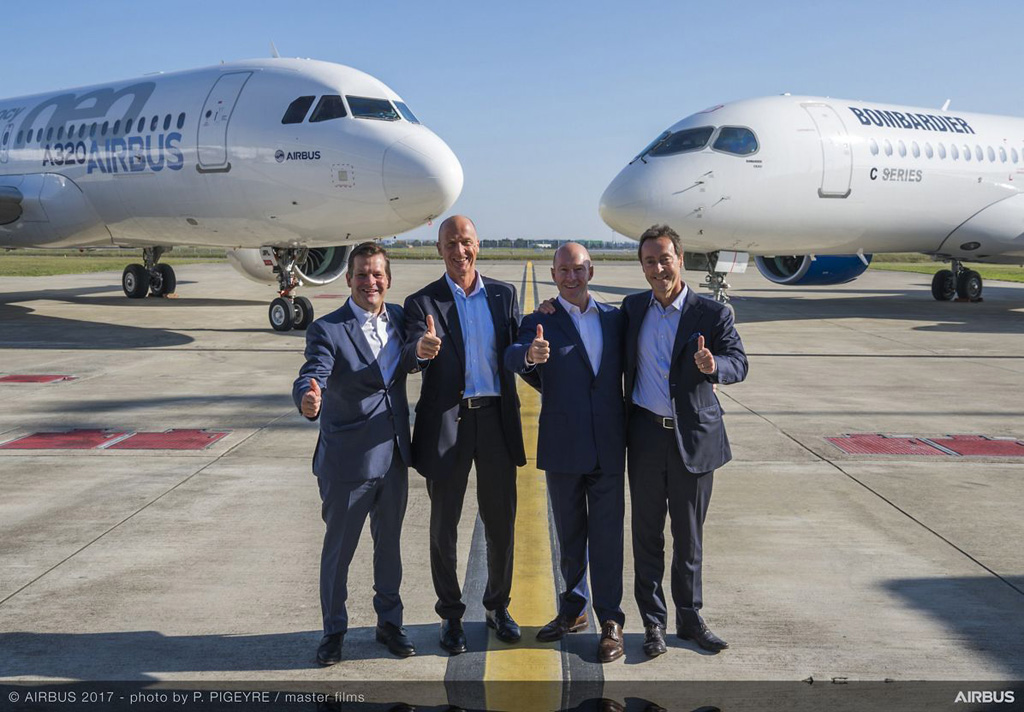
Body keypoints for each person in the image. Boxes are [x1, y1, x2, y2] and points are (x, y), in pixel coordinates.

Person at [401, 215, 527, 654]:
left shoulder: (503, 295)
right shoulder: (422, 302)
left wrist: (535, 343)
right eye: (451, 244)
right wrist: (421, 351)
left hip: (494, 420)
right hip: (447, 423)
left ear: (478, 245)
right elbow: (410, 351)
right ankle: (451, 615)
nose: (460, 251)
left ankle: (498, 606)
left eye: (466, 242)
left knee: (501, 523)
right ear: (439, 249)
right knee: (444, 527)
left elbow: (517, 348)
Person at [622, 224, 748, 656]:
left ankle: (690, 619)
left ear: (680, 258)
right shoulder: (632, 308)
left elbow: (739, 362)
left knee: (688, 538)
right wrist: (550, 309)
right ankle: (653, 623)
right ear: (642, 267)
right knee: (647, 537)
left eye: (665, 259)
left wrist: (715, 367)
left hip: (692, 439)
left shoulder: (711, 314)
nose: (658, 269)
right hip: (645, 437)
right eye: (649, 262)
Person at [292, 242, 417, 666]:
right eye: (362, 274)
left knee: (389, 549)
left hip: (394, 456)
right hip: (348, 460)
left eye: (377, 274)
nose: (370, 282)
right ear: (348, 279)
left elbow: (417, 353)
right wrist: (308, 398)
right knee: (339, 553)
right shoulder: (327, 329)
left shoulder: (399, 317)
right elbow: (313, 373)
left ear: (388, 279)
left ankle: (390, 624)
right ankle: (333, 631)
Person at [505, 242, 627, 663]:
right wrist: (530, 355)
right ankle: (573, 609)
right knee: (570, 537)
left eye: (577, 269)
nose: (570, 277)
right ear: (553, 275)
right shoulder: (539, 320)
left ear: (590, 271)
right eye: (563, 271)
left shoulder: (615, 318)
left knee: (608, 539)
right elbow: (512, 355)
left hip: (608, 444)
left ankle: (610, 620)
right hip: (563, 444)